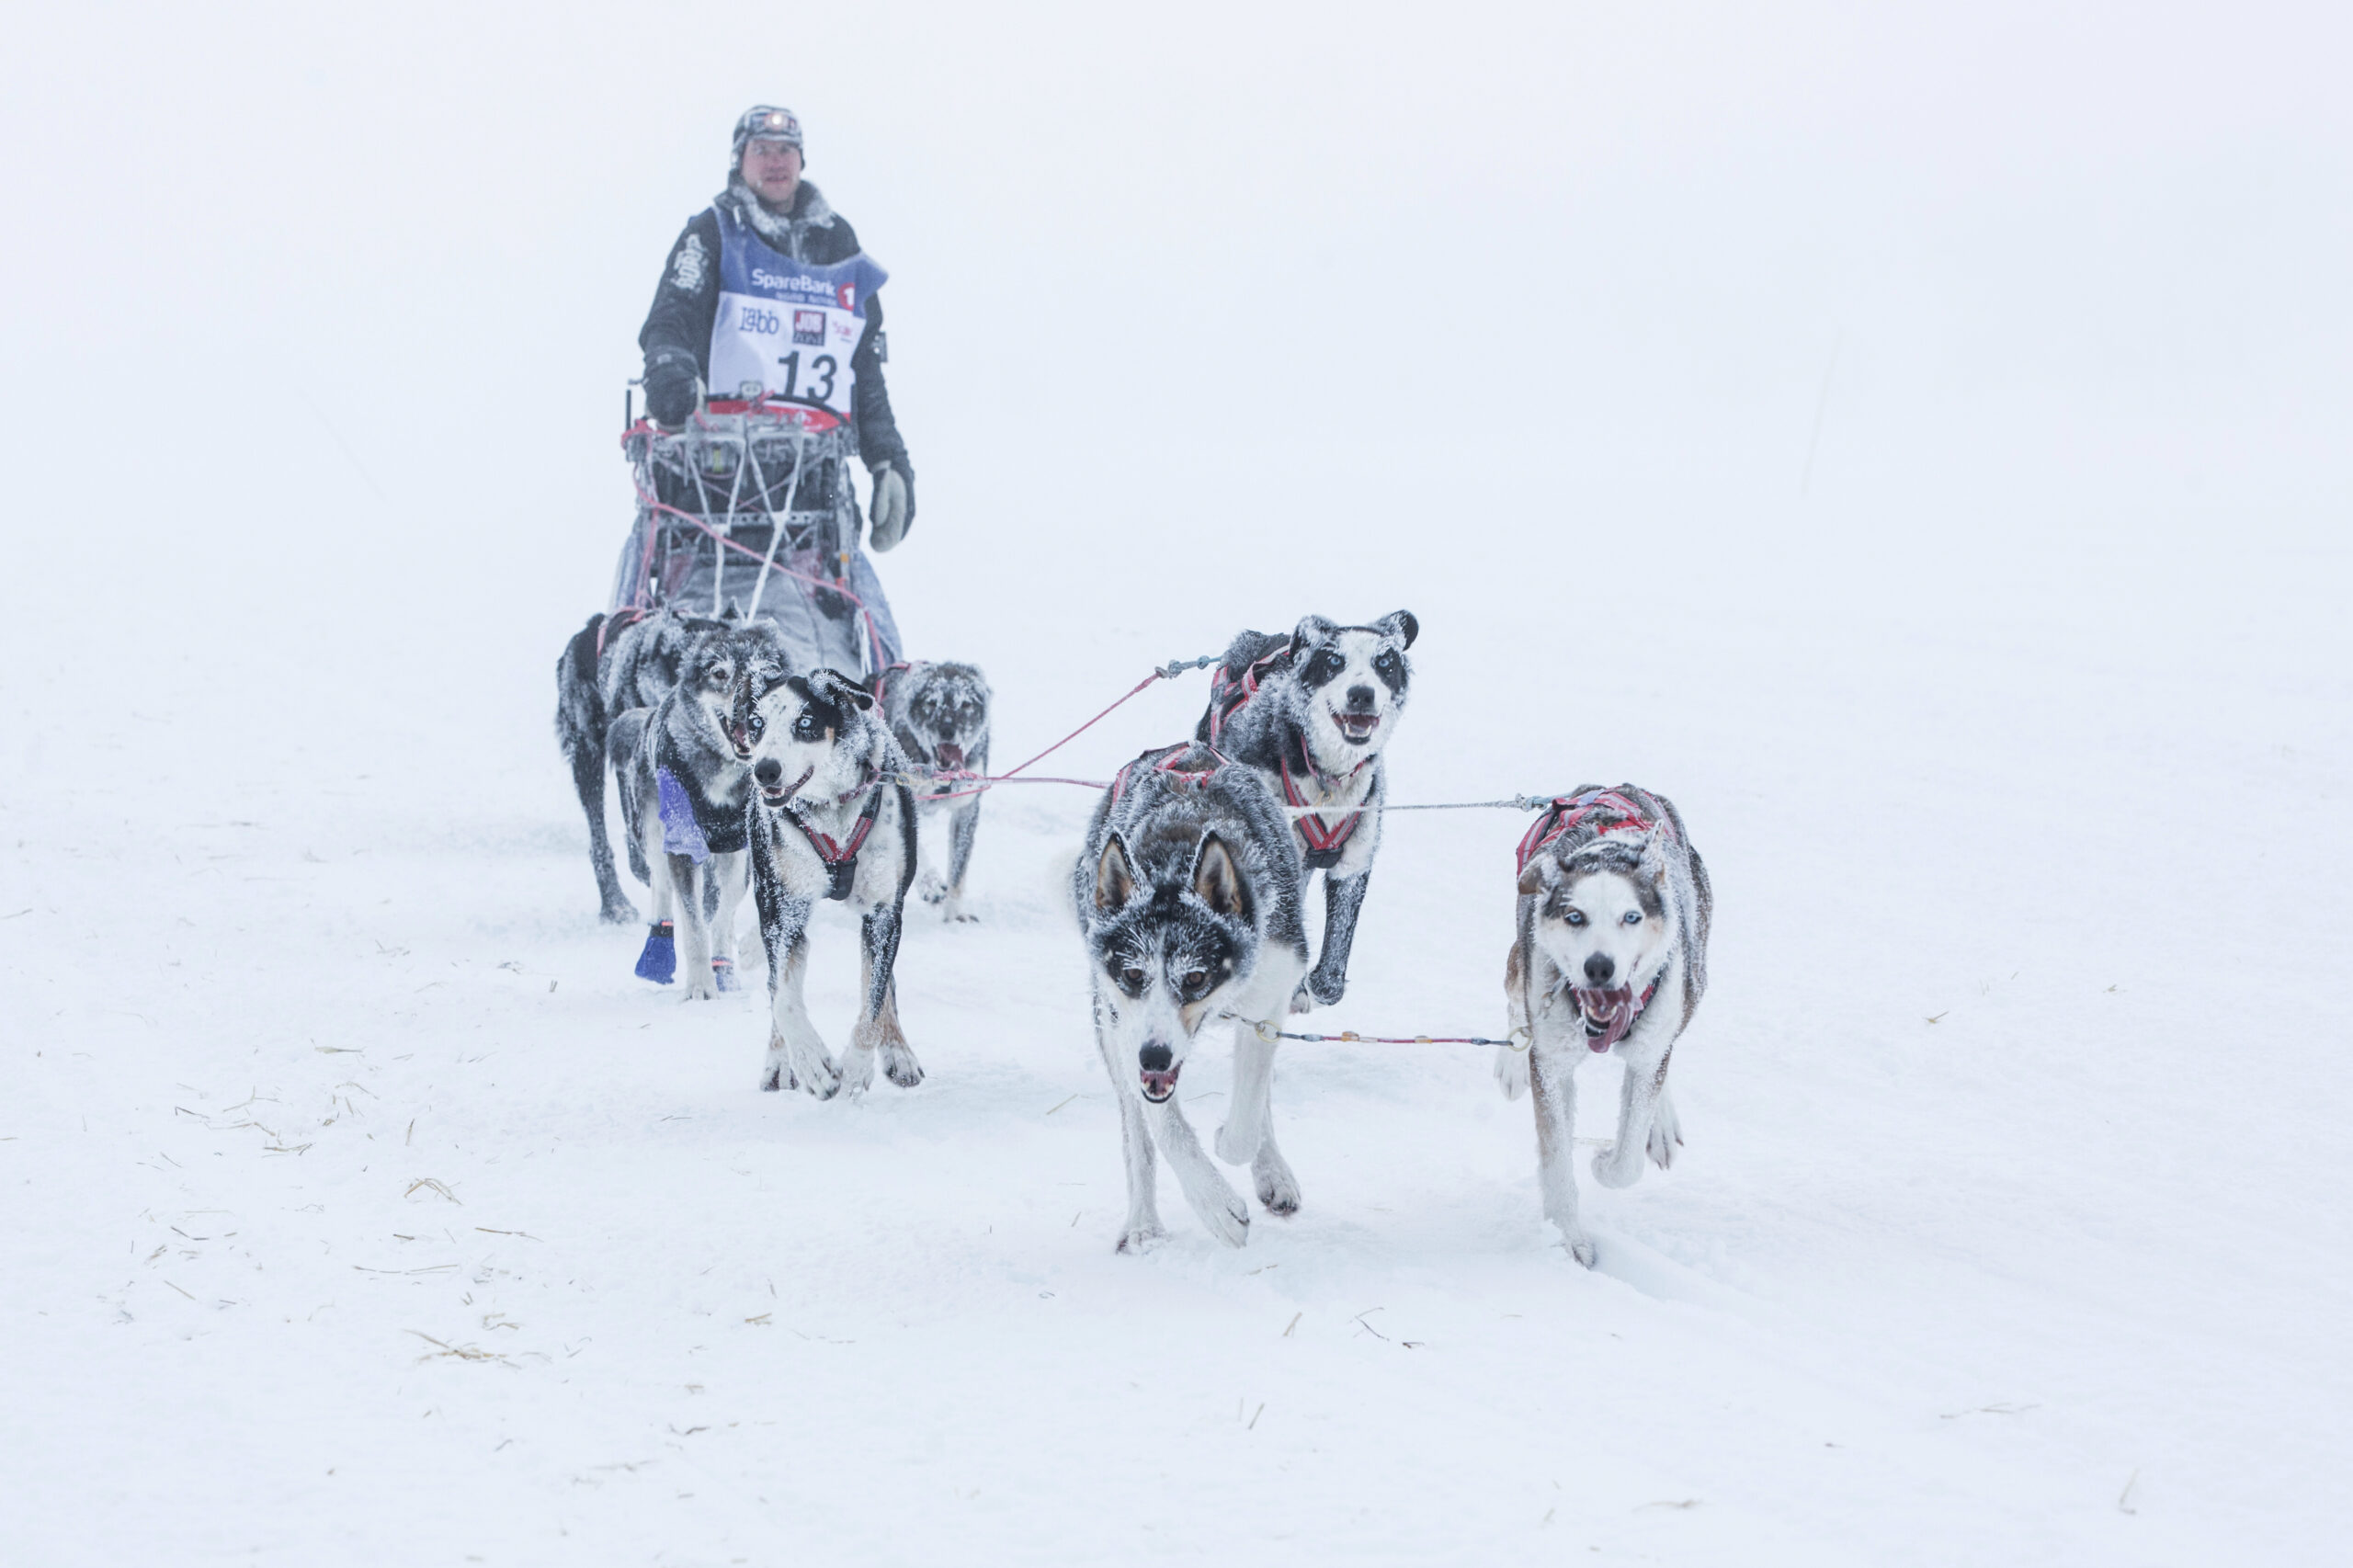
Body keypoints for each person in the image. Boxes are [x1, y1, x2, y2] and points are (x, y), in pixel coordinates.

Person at [619, 105, 913, 667]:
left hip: (811, 484)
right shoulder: (712, 233)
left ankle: (884, 706)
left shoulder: (838, 242)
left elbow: (862, 363)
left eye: (786, 150)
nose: (775, 162)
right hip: (711, 475)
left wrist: (888, 457)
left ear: (802, 160)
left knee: (877, 638)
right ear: (740, 161)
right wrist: (670, 368)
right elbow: (671, 319)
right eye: (762, 150)